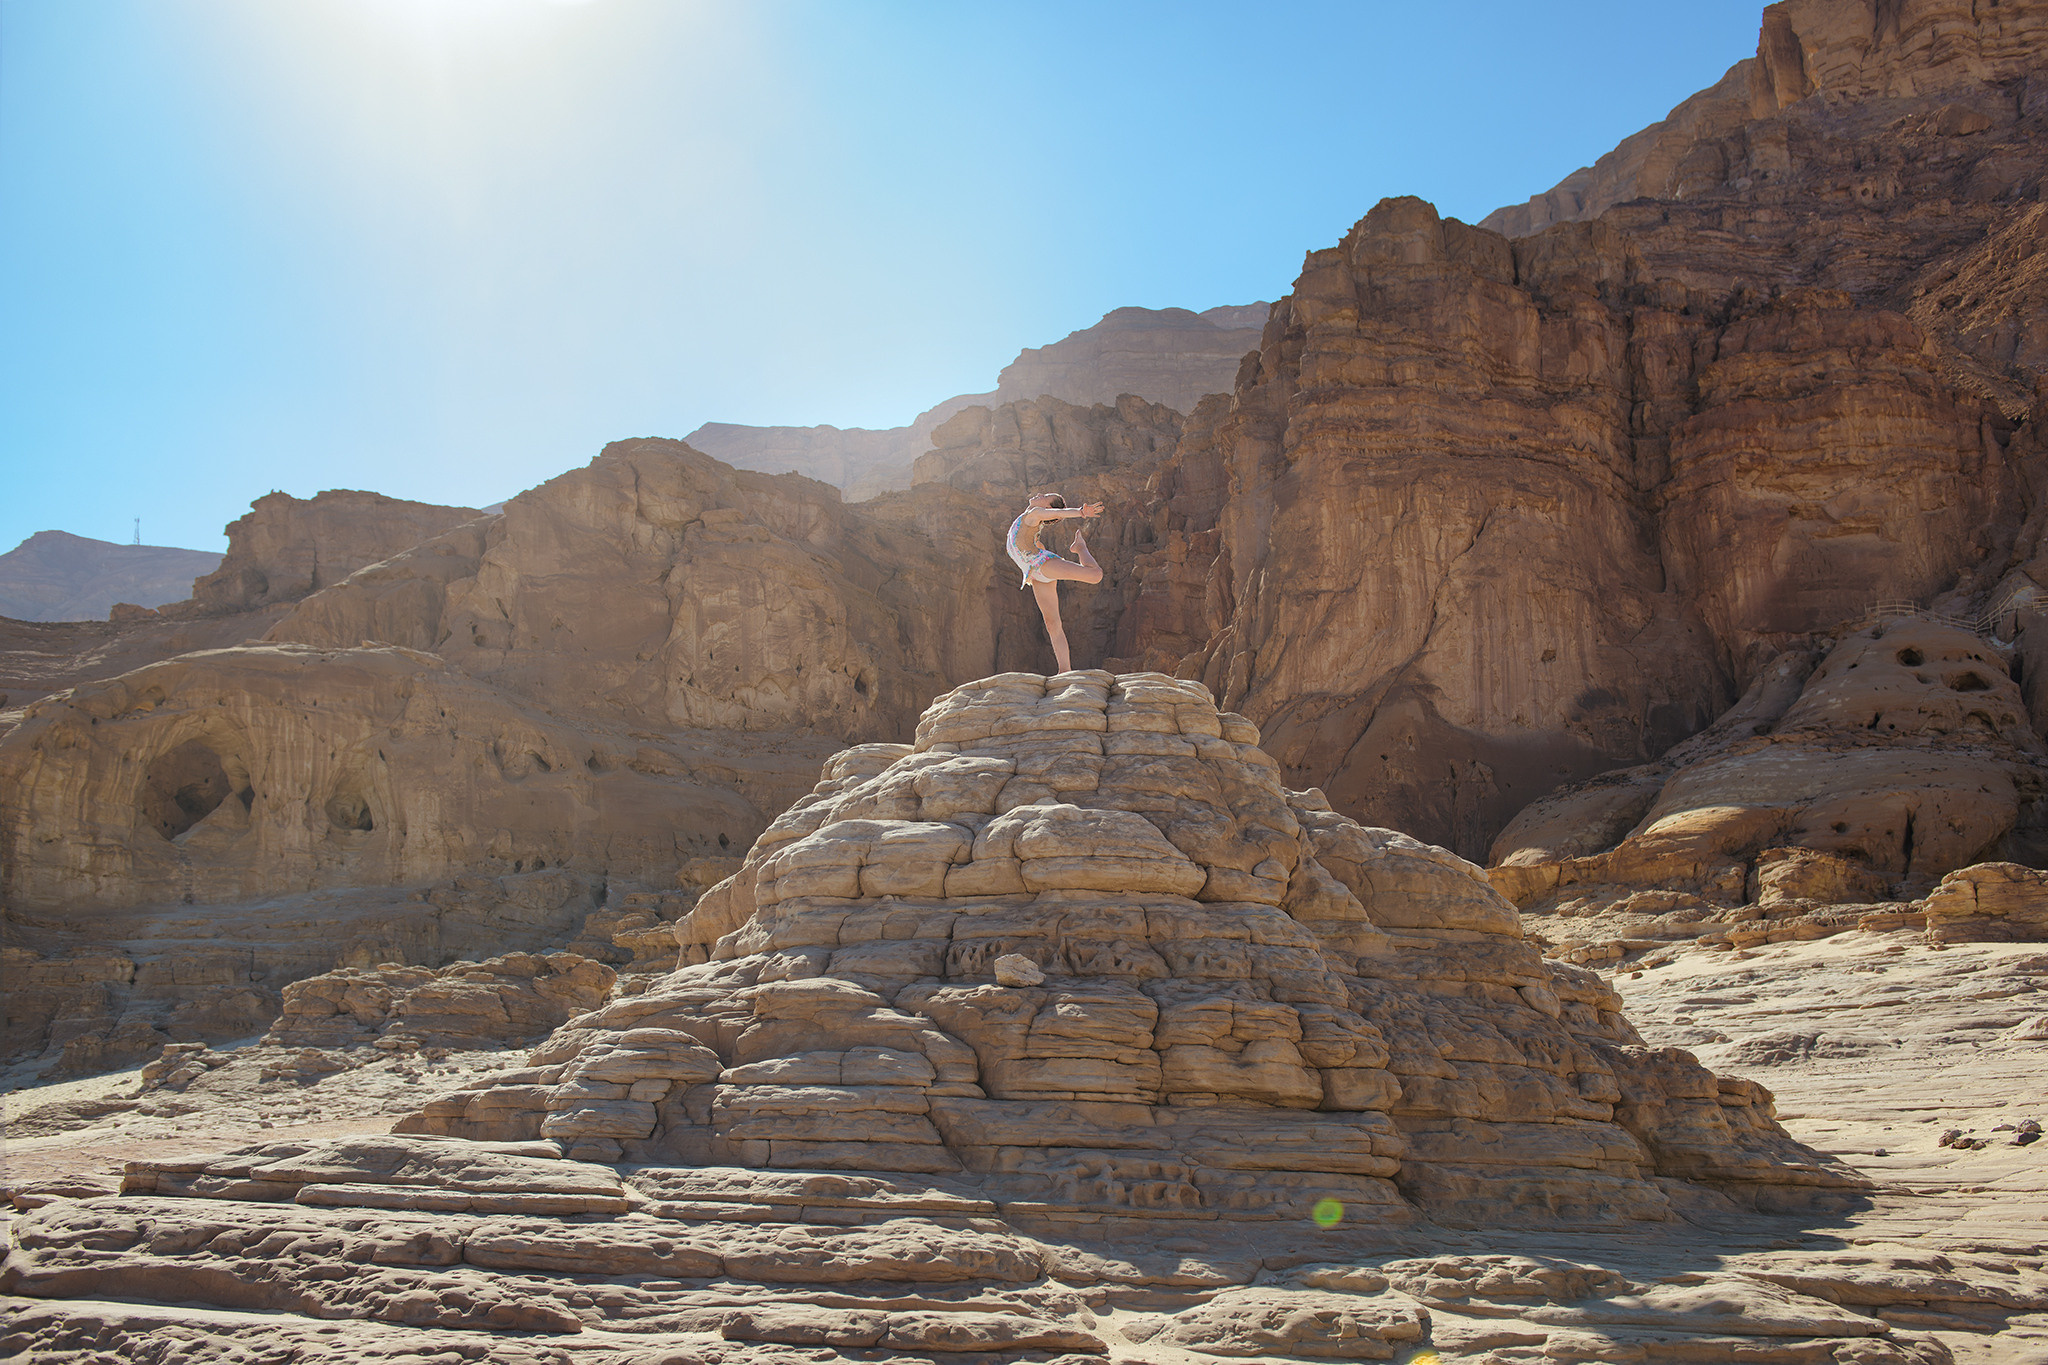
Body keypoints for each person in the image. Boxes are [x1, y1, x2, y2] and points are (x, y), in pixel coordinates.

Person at [1007, 492, 1106, 674]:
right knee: (1052, 623)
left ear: (1049, 508)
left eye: (1045, 496)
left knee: (1095, 575)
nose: (1039, 494)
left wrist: (1081, 512)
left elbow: (1059, 514)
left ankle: (1081, 548)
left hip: (1041, 564)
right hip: (1035, 574)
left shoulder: (1035, 513)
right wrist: (1036, 544)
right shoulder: (1030, 520)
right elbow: (1029, 540)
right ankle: (1064, 670)